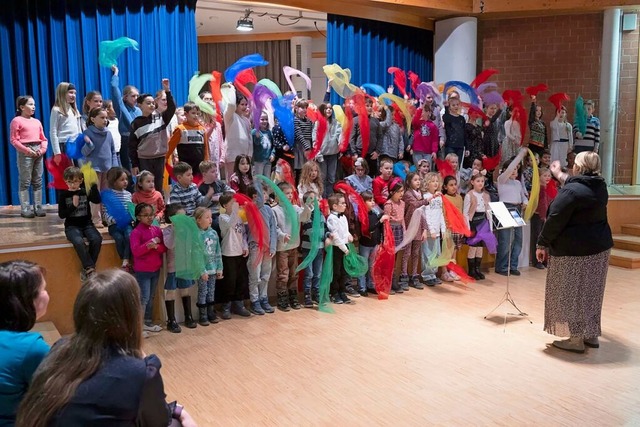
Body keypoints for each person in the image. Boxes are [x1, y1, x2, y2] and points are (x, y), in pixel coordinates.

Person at [16, 269, 198, 427]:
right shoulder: (140, 372)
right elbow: (159, 420)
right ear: (130, 316)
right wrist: (180, 412)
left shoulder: (60, 347)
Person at [536, 152, 613, 354]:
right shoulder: (599, 186)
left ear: (578, 167)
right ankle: (590, 334)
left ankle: (575, 339)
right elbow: (577, 184)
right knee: (591, 292)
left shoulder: (570, 193)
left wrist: (542, 243)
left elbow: (554, 219)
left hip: (575, 251)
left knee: (571, 292)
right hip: (599, 248)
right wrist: (557, 173)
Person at [0, 260, 50, 425]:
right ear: (26, 301)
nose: (47, 293)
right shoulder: (32, 348)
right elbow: (55, 400)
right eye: (43, 289)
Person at [129, 79, 176, 190]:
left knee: (158, 186)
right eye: (148, 103)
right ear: (140, 105)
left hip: (159, 158)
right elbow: (131, 146)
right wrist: (135, 164)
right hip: (144, 160)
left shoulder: (161, 118)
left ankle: (159, 206)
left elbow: (172, 108)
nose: (151, 105)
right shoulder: (136, 123)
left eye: (152, 103)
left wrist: (167, 91)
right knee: (145, 187)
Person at [58, 167, 102, 281]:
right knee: (78, 242)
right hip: (71, 226)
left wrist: (93, 185)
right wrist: (73, 206)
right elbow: (62, 215)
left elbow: (97, 200)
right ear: (65, 181)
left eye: (76, 181)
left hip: (87, 224)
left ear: (81, 180)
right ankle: (90, 268)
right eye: (70, 182)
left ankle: (88, 268)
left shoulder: (84, 191)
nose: (73, 184)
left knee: (97, 239)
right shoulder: (64, 195)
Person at [273, 182, 311, 311]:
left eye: (290, 193)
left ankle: (293, 296)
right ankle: (282, 297)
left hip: (294, 246)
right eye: (286, 193)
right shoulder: (275, 210)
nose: (289, 196)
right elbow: (275, 228)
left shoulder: (295, 208)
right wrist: (282, 235)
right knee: (283, 274)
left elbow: (304, 217)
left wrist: (307, 206)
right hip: (282, 248)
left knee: (294, 273)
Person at [130, 203, 166, 335]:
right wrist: (149, 245)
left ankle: (148, 322)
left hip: (155, 269)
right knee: (143, 298)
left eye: (151, 215)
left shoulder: (156, 230)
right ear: (138, 217)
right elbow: (136, 252)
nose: (150, 218)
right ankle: (138, 327)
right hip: (142, 271)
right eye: (146, 215)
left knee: (151, 297)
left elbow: (163, 248)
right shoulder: (136, 232)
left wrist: (156, 247)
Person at [10, 95, 48, 218]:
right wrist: (27, 150)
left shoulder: (37, 121)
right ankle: (25, 208)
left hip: (38, 151)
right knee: (25, 181)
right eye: (30, 104)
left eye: (34, 105)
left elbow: (43, 138)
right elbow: (14, 140)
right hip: (25, 152)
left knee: (38, 180)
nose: (33, 107)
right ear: (22, 107)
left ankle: (38, 207)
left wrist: (42, 149)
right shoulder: (17, 121)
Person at [82, 107, 119, 227]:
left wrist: (114, 167)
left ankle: (105, 217)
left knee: (106, 194)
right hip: (92, 169)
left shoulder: (108, 133)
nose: (105, 120)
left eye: (106, 118)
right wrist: (89, 144)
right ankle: (95, 219)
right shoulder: (87, 133)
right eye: (102, 118)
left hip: (106, 168)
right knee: (95, 195)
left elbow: (113, 151)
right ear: (93, 119)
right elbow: (84, 153)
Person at [494, 148, 528, 276]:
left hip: (516, 209)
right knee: (505, 239)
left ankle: (513, 265)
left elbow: (523, 195)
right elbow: (510, 168)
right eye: (513, 169)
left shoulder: (518, 183)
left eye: (516, 169)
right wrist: (520, 155)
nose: (515, 171)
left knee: (518, 239)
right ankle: (501, 266)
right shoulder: (501, 179)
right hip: (504, 208)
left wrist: (525, 201)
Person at [217, 192, 251, 319]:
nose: (236, 205)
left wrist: (245, 246)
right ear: (225, 205)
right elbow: (230, 224)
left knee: (240, 280)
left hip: (239, 253)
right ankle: (226, 306)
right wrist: (236, 210)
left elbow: (242, 234)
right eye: (233, 203)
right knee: (229, 281)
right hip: (229, 253)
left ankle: (239, 304)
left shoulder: (238, 217)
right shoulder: (222, 218)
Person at [245, 185, 277, 314]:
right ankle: (254, 301)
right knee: (255, 276)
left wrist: (273, 245)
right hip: (255, 247)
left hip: (267, 247)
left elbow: (273, 228)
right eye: (263, 193)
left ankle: (264, 298)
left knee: (265, 275)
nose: (266, 196)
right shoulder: (251, 208)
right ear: (255, 196)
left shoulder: (268, 210)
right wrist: (257, 180)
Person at [194, 207, 223, 326]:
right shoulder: (196, 234)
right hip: (203, 271)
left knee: (211, 291)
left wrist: (219, 268)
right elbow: (196, 255)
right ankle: (203, 315)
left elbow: (218, 251)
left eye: (211, 217)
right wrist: (202, 270)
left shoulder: (213, 233)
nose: (210, 220)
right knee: (203, 291)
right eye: (207, 217)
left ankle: (211, 312)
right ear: (198, 220)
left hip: (213, 268)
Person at [110, 66, 141, 173]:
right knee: (128, 171)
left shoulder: (139, 110)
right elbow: (115, 90)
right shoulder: (121, 108)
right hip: (127, 141)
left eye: (137, 96)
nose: (136, 98)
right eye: (133, 96)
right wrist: (116, 74)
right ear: (125, 97)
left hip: (140, 142)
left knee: (141, 171)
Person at [400, 172, 429, 289]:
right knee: (407, 253)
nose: (418, 182)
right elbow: (416, 205)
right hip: (409, 226)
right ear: (409, 182)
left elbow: (422, 213)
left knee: (416, 253)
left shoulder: (420, 194)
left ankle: (414, 276)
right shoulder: (408, 194)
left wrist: (425, 229)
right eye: (415, 180)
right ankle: (403, 275)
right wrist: (428, 199)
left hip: (418, 227)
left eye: (419, 180)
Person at [102, 167, 133, 272]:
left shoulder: (129, 195)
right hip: (114, 225)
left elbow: (130, 209)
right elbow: (105, 213)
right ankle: (124, 258)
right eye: (122, 180)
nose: (125, 182)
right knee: (119, 239)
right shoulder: (108, 195)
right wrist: (113, 220)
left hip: (126, 224)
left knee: (129, 236)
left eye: (126, 179)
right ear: (114, 182)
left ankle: (125, 260)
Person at [358, 190, 389, 296]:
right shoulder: (362, 215)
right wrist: (379, 221)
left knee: (372, 266)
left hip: (374, 244)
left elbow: (379, 229)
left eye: (373, 200)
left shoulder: (374, 214)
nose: (372, 203)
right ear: (363, 202)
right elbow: (368, 230)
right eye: (369, 200)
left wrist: (380, 241)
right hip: (365, 244)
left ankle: (370, 285)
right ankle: (362, 287)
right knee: (364, 265)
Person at [463, 170, 491, 280]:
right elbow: (465, 212)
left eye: (482, 181)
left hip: (483, 222)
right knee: (473, 247)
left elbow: (488, 210)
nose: (480, 183)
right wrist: (467, 226)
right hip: (473, 222)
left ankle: (477, 269)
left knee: (480, 247)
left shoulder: (486, 195)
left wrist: (490, 224)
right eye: (478, 181)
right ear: (472, 182)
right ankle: (471, 270)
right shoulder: (469, 195)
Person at [327, 192, 355, 304]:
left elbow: (345, 231)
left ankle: (342, 291)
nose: (345, 205)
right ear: (334, 206)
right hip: (337, 248)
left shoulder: (343, 217)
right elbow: (336, 237)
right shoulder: (331, 218)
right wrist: (344, 249)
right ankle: (334, 293)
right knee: (336, 271)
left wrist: (349, 235)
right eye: (342, 203)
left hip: (345, 246)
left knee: (344, 271)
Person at [166, 102, 206, 178]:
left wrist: (206, 160)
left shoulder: (202, 129)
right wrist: (166, 158)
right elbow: (171, 146)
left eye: (198, 113)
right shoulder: (180, 129)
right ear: (186, 114)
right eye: (193, 113)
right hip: (185, 165)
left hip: (199, 166)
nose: (196, 116)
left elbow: (206, 147)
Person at [222, 85, 252, 180]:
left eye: (245, 104)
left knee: (244, 182)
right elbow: (230, 105)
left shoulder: (246, 120)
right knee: (232, 181)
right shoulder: (230, 116)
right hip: (232, 156)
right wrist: (232, 89)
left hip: (244, 157)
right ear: (236, 105)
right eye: (241, 104)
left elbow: (250, 140)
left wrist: (249, 156)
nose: (244, 107)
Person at [50, 82, 82, 167]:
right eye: (70, 92)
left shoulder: (74, 110)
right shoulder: (56, 110)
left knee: (78, 174)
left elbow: (79, 130)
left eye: (75, 93)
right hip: (63, 145)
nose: (73, 95)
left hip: (75, 145)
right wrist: (57, 153)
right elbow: (53, 132)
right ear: (62, 93)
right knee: (67, 174)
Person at [383, 178, 406, 293]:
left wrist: (405, 231)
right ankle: (387, 283)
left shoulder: (402, 203)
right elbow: (386, 221)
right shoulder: (388, 204)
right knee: (389, 258)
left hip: (399, 230)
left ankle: (394, 281)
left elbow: (402, 219)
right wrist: (387, 237)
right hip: (391, 230)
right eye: (399, 191)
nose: (402, 194)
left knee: (396, 258)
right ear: (392, 192)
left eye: (402, 191)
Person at [315, 102, 342, 198]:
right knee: (322, 177)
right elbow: (315, 140)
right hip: (322, 155)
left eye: (330, 108)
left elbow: (340, 135)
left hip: (333, 154)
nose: (329, 110)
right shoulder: (318, 123)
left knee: (331, 177)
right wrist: (318, 154)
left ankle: (330, 197)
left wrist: (340, 143)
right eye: (326, 108)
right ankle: (323, 198)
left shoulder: (336, 123)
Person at [252, 112, 275, 178]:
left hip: (268, 160)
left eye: (266, 119)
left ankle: (265, 189)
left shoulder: (269, 132)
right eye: (262, 119)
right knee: (258, 178)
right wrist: (257, 137)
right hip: (258, 160)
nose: (264, 121)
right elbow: (256, 144)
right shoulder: (254, 132)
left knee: (267, 179)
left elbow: (273, 145)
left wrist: (273, 154)